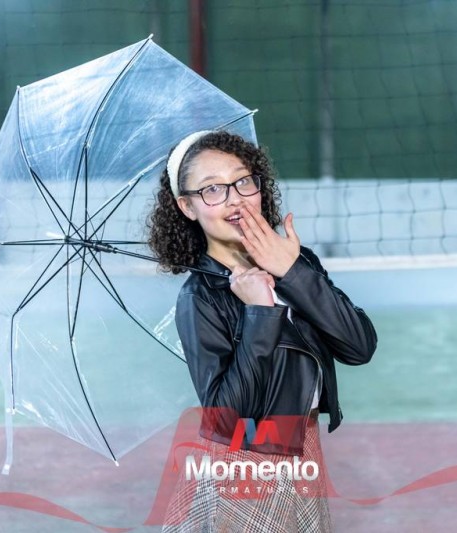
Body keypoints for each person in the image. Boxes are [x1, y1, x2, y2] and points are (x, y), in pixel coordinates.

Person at [147, 130, 377, 532]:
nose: (234, 198)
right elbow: (225, 419)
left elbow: (359, 346)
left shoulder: (296, 261)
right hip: (246, 463)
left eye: (243, 181)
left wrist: (292, 272)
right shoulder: (201, 297)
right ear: (187, 206)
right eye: (212, 189)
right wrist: (259, 313)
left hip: (302, 447)